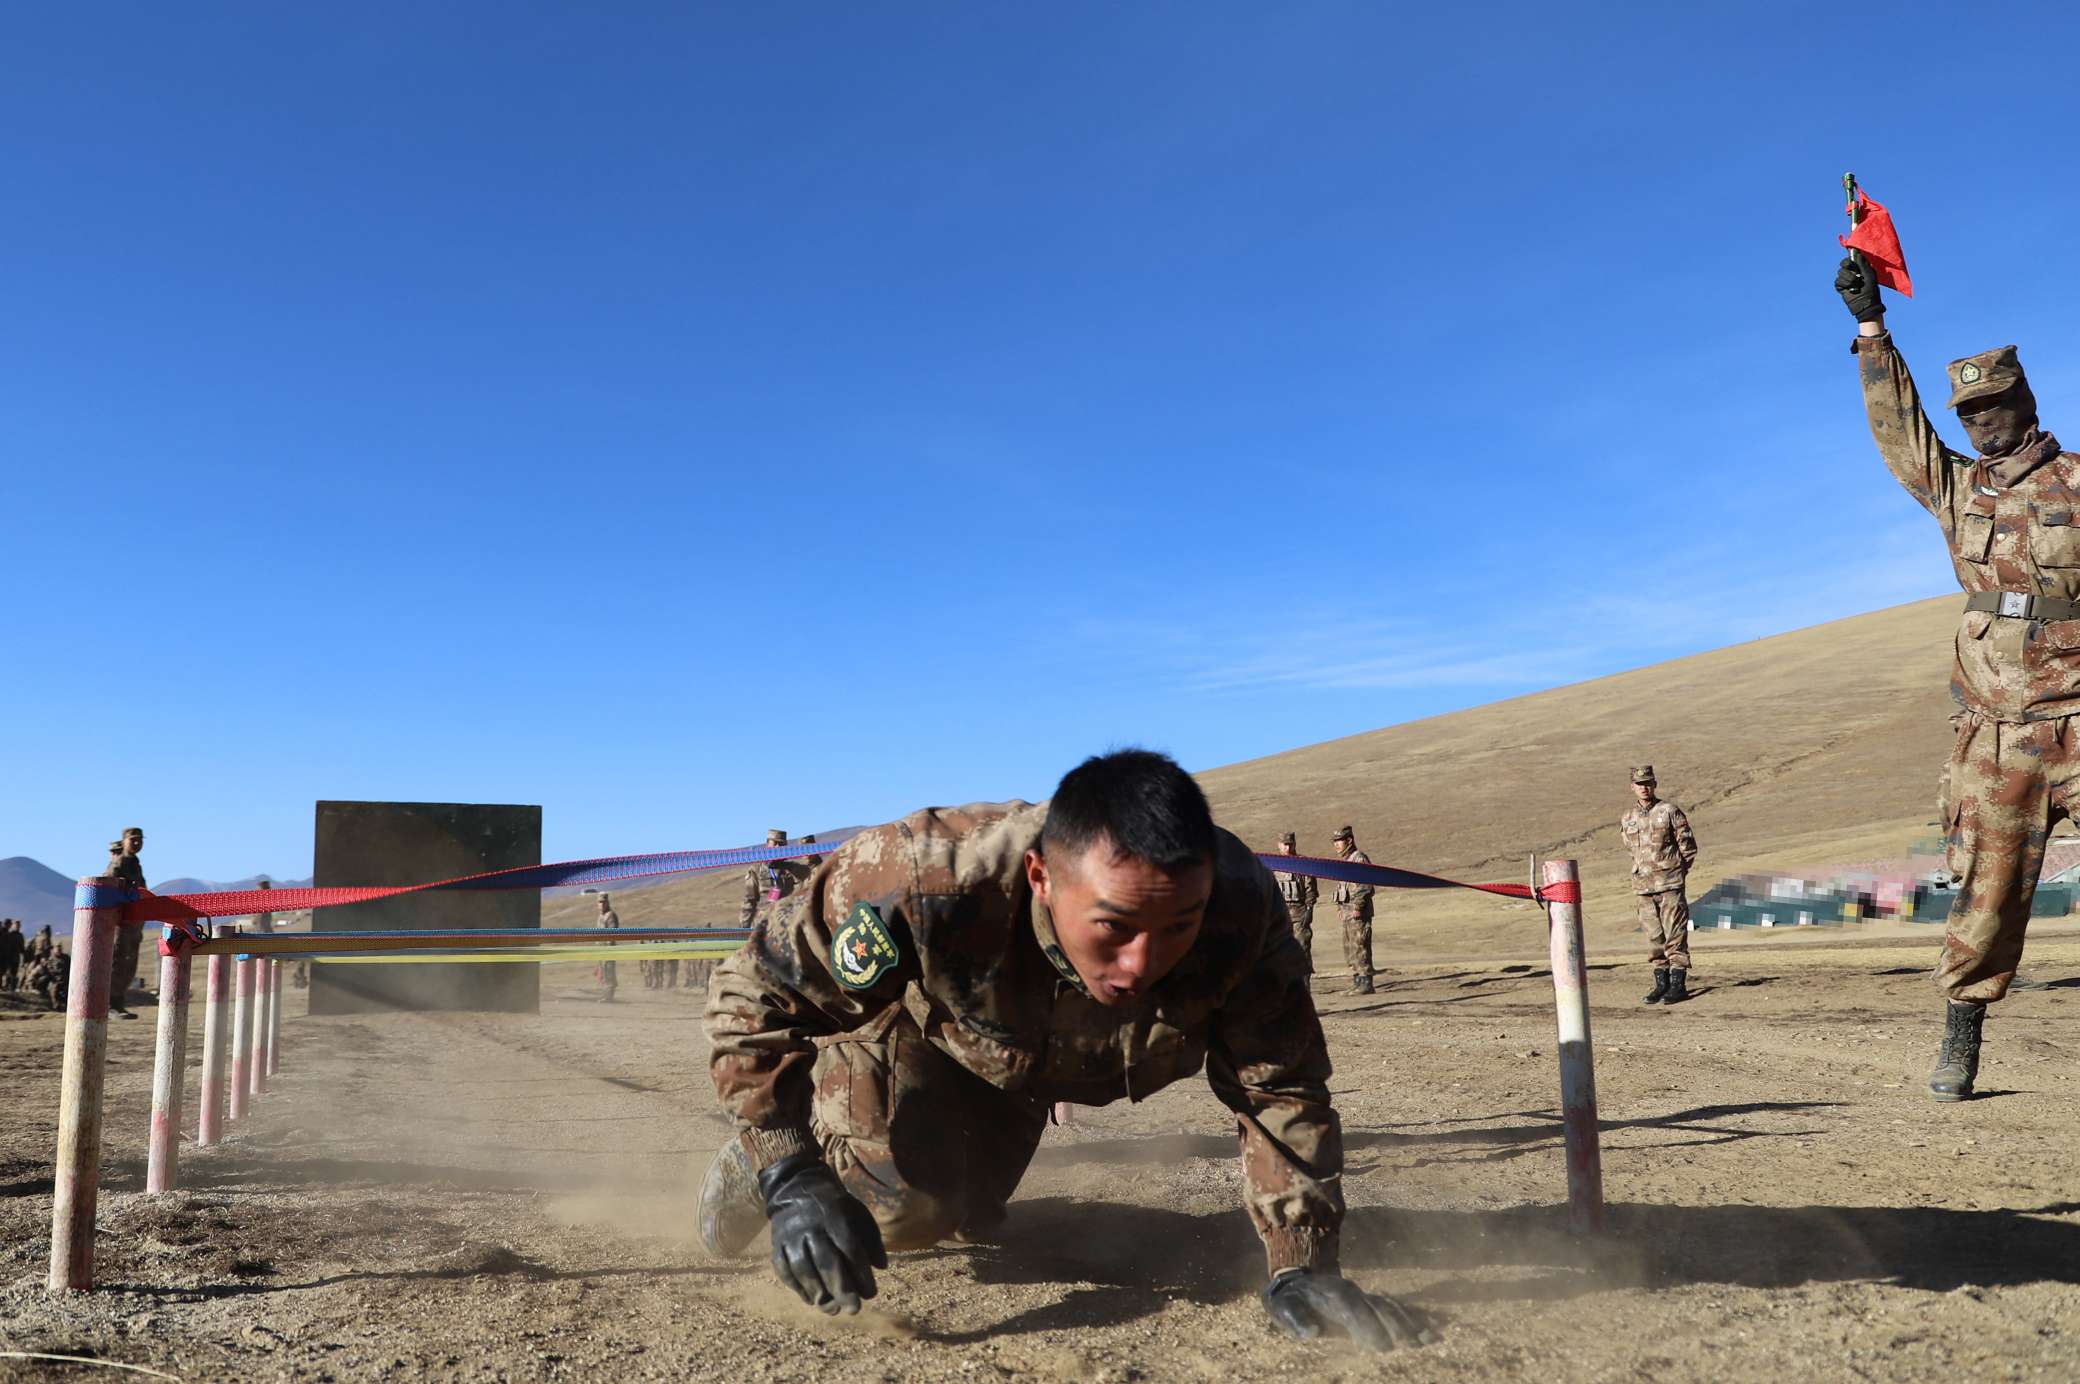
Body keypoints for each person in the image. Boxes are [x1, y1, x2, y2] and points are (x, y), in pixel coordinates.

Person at [697, 750, 1435, 1353]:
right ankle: (790, 1142)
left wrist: (1300, 1262)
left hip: (1019, 1076)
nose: (1145, 964)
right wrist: (789, 1169)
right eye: (1114, 927)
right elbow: (751, 998)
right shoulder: (928, 877)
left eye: (1178, 927)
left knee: (959, 1212)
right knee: (897, 1213)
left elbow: (1281, 1089)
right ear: (1042, 881)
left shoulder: (1241, 912)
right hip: (919, 1043)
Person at [1838, 253, 2080, 1099]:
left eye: (1991, 408)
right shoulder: (1958, 493)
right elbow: (1902, 432)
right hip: (1996, 732)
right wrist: (1873, 332)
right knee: (1987, 891)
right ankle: (1962, 1033)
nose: (1979, 425)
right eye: (1968, 414)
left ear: (2026, 402)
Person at [1619, 767, 1699, 1005]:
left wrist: (1676, 872)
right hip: (1643, 886)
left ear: (1655, 784)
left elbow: (1688, 846)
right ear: (1632, 787)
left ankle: (1678, 984)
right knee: (1654, 937)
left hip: (1669, 883)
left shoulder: (1669, 811)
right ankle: (1661, 983)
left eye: (1648, 783)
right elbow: (1630, 849)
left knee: (1675, 934)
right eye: (1639, 783)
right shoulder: (1628, 817)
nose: (1644, 787)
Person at [1328, 825, 1376, 994]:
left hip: (1358, 913)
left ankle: (1365, 983)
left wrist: (1357, 906)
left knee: (1360, 945)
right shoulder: (1346, 861)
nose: (1336, 845)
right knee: (1349, 947)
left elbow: (1366, 885)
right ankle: (1357, 980)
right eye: (1334, 842)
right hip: (1347, 913)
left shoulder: (1359, 859)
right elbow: (1343, 887)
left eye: (1339, 841)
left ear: (1349, 840)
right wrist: (1340, 907)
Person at [107, 830, 148, 1018]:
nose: (137, 843)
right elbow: (108, 884)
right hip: (122, 923)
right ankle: (110, 1005)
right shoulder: (120, 862)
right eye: (133, 840)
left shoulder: (135, 863)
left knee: (129, 965)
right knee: (116, 963)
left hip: (134, 923)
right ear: (124, 841)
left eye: (139, 840)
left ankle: (118, 1003)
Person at [1270, 833, 1318, 972]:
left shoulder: (1303, 863)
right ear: (1278, 845)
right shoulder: (1274, 864)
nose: (1287, 847)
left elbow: (1310, 889)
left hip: (1299, 915)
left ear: (1295, 844)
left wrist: (1309, 909)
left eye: (1290, 844)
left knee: (1302, 949)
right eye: (1284, 844)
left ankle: (1304, 984)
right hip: (1281, 917)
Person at [597, 893, 621, 1002]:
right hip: (600, 950)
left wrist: (608, 951)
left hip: (608, 950)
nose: (601, 904)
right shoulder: (600, 917)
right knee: (603, 973)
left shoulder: (610, 915)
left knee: (609, 972)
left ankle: (609, 997)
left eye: (603, 902)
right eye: (599, 902)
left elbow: (612, 934)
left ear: (607, 902)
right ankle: (606, 995)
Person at [0, 920, 22, 992]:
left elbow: (21, 947)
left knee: (12, 972)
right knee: (5, 972)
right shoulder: (7, 934)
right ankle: (5, 986)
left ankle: (11, 988)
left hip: (13, 956)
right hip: (6, 956)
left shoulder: (19, 935)